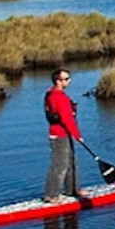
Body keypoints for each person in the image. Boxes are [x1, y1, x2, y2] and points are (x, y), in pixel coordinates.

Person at [43, 68, 85, 202]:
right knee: (60, 165)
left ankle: (72, 189)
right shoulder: (58, 97)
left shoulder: (53, 94)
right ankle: (51, 195)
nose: (69, 81)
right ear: (58, 81)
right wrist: (78, 135)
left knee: (71, 162)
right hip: (59, 135)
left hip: (64, 133)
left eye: (69, 78)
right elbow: (67, 119)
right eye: (66, 79)